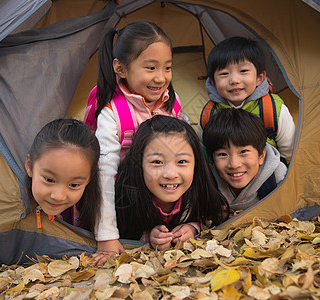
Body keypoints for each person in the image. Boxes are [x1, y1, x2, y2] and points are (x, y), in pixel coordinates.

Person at [90, 21, 188, 261]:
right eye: (151, 67)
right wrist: (107, 236)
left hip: (166, 190)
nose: (161, 77)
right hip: (129, 200)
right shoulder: (112, 114)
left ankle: (187, 224)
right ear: (120, 69)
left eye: (167, 67)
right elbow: (104, 174)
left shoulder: (171, 105)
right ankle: (142, 234)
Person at [115, 115, 229, 249]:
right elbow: (125, 232)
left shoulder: (200, 194)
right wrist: (148, 237)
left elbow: (211, 217)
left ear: (196, 165)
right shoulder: (125, 200)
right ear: (139, 164)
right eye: (157, 162)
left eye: (182, 162)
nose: (170, 174)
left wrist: (193, 228)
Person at [198, 36, 295, 163]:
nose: (234, 80)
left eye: (243, 71)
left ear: (260, 78)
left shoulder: (272, 109)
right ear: (213, 82)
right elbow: (204, 152)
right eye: (224, 74)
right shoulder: (209, 113)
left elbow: (290, 153)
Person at [203, 108, 287, 212]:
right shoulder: (208, 183)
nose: (234, 164)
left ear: (261, 155)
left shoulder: (278, 177)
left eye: (243, 152)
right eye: (223, 154)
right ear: (212, 159)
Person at [25, 118, 101, 232]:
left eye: (74, 185)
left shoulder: (92, 211)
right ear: (29, 166)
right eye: (49, 180)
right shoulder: (11, 208)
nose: (58, 196)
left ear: (89, 179)